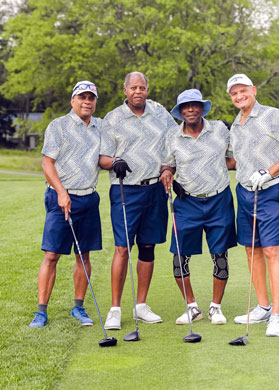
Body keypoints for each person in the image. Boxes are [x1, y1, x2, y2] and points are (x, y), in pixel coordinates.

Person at [226, 73, 279, 336]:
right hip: (246, 191)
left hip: (272, 189)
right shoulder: (235, 125)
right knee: (250, 249)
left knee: (271, 250)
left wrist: (269, 172)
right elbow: (234, 161)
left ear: (254, 90)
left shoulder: (273, 115)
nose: (239, 96)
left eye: (243, 91)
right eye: (234, 93)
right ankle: (263, 306)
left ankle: (278, 315)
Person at [99, 71, 177, 330]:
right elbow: (103, 157)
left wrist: (168, 167)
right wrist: (115, 161)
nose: (138, 92)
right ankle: (115, 309)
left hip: (155, 189)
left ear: (147, 89)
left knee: (148, 247)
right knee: (123, 248)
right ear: (125, 91)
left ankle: (141, 306)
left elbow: (174, 144)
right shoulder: (112, 119)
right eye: (133, 88)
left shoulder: (161, 114)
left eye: (142, 87)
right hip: (126, 190)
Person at [160, 89, 237, 325]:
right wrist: (166, 172)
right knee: (179, 257)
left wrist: (215, 169)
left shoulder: (220, 130)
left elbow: (234, 158)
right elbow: (168, 165)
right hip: (186, 202)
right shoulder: (172, 136)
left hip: (219, 199)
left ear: (202, 108)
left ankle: (216, 307)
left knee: (220, 255)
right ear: (180, 111)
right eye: (185, 106)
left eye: (194, 105)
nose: (190, 109)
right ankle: (192, 307)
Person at [29, 81, 102, 328]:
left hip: (89, 197)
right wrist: (61, 192)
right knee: (52, 254)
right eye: (82, 97)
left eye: (91, 98)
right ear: (73, 100)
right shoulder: (58, 126)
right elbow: (47, 163)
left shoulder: (101, 126)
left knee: (84, 254)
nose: (87, 102)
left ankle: (78, 308)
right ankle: (41, 312)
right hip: (61, 198)